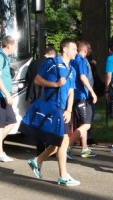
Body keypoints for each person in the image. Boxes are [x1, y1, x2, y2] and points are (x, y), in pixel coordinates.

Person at [26, 38, 80, 187]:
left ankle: (36, 161)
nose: (76, 52)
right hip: (53, 108)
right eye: (74, 49)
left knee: (58, 144)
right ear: (65, 49)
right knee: (62, 142)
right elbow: (37, 80)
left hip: (64, 110)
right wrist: (55, 84)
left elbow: (71, 92)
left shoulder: (72, 69)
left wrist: (69, 110)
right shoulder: (51, 64)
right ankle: (63, 176)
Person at [68, 40, 98, 158]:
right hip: (81, 96)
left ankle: (84, 148)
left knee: (83, 123)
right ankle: (67, 146)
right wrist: (92, 92)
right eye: (89, 50)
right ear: (85, 50)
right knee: (86, 124)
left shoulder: (75, 61)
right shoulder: (81, 60)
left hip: (78, 96)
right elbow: (82, 77)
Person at [25, 46, 57, 155]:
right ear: (53, 54)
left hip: (33, 96)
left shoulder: (34, 63)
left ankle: (39, 148)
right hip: (46, 96)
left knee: (37, 122)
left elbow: (28, 78)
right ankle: (48, 148)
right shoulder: (51, 64)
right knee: (47, 121)